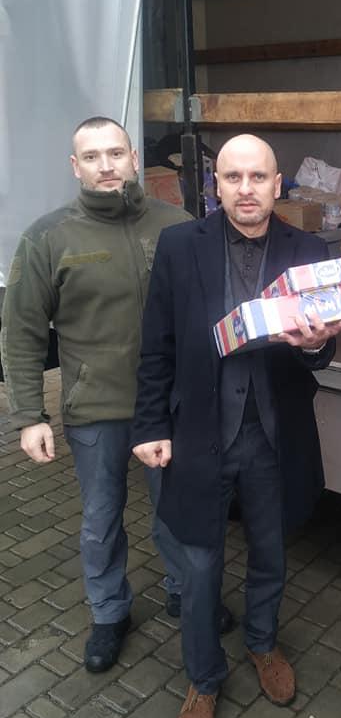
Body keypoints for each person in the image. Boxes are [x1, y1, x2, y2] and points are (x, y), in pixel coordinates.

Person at [131, 133, 341, 718]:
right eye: (233, 177)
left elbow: (323, 351)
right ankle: (203, 679)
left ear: (277, 185)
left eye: (258, 177)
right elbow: (156, 343)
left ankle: (261, 641)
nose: (246, 189)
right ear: (216, 187)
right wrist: (149, 426)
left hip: (273, 434)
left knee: (270, 552)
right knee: (199, 567)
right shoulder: (180, 246)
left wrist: (316, 343)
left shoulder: (307, 250)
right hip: (199, 433)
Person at [0, 116, 196, 673]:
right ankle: (110, 613)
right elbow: (21, 330)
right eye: (92, 157)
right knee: (102, 519)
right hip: (95, 409)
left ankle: (185, 591)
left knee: (177, 511)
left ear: (134, 158)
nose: (106, 166)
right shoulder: (49, 236)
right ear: (75, 166)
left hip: (168, 405)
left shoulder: (177, 225)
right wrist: (29, 415)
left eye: (115, 153)